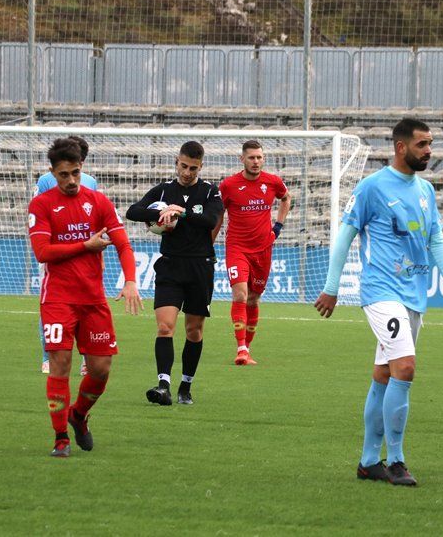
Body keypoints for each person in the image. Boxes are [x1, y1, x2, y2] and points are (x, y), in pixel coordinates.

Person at [314, 118, 443, 486]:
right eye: (422, 144)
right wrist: (332, 287)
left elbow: (435, 241)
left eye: (431, 144)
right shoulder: (372, 187)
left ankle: (368, 462)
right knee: (406, 368)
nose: (429, 150)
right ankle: (396, 460)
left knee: (384, 374)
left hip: (413, 294)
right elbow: (345, 235)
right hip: (381, 292)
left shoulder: (426, 190)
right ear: (401, 147)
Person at [27, 138, 143, 457]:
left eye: (75, 173)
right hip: (58, 300)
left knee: (101, 368)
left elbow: (122, 243)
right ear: (53, 173)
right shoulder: (41, 204)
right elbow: (42, 252)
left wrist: (130, 280)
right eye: (63, 175)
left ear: (82, 169)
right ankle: (60, 437)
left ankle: (78, 415)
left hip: (93, 300)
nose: (71, 180)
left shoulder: (99, 202)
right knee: (60, 365)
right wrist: (84, 246)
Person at [126, 141, 223, 405]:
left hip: (200, 266)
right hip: (170, 265)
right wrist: (160, 213)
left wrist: (181, 212)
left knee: (194, 331)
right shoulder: (164, 190)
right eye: (183, 166)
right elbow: (132, 211)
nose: (187, 172)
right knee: (165, 326)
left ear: (200, 167)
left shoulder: (211, 192)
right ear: (176, 162)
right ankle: (163, 386)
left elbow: (211, 220)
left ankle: (185, 386)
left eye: (193, 168)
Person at [218, 140, 292, 366]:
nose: (256, 161)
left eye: (259, 157)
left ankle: (247, 348)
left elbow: (286, 198)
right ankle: (240, 348)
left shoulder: (273, 182)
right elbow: (218, 215)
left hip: (263, 249)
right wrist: (209, 242)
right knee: (240, 293)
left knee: (253, 297)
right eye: (251, 157)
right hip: (237, 247)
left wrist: (277, 227)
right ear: (242, 159)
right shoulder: (229, 185)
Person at [36, 135, 96, 376]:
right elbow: (38, 212)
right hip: (55, 254)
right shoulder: (44, 181)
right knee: (50, 306)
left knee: (85, 307)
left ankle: (85, 358)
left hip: (83, 254)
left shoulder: (91, 182)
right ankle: (48, 356)